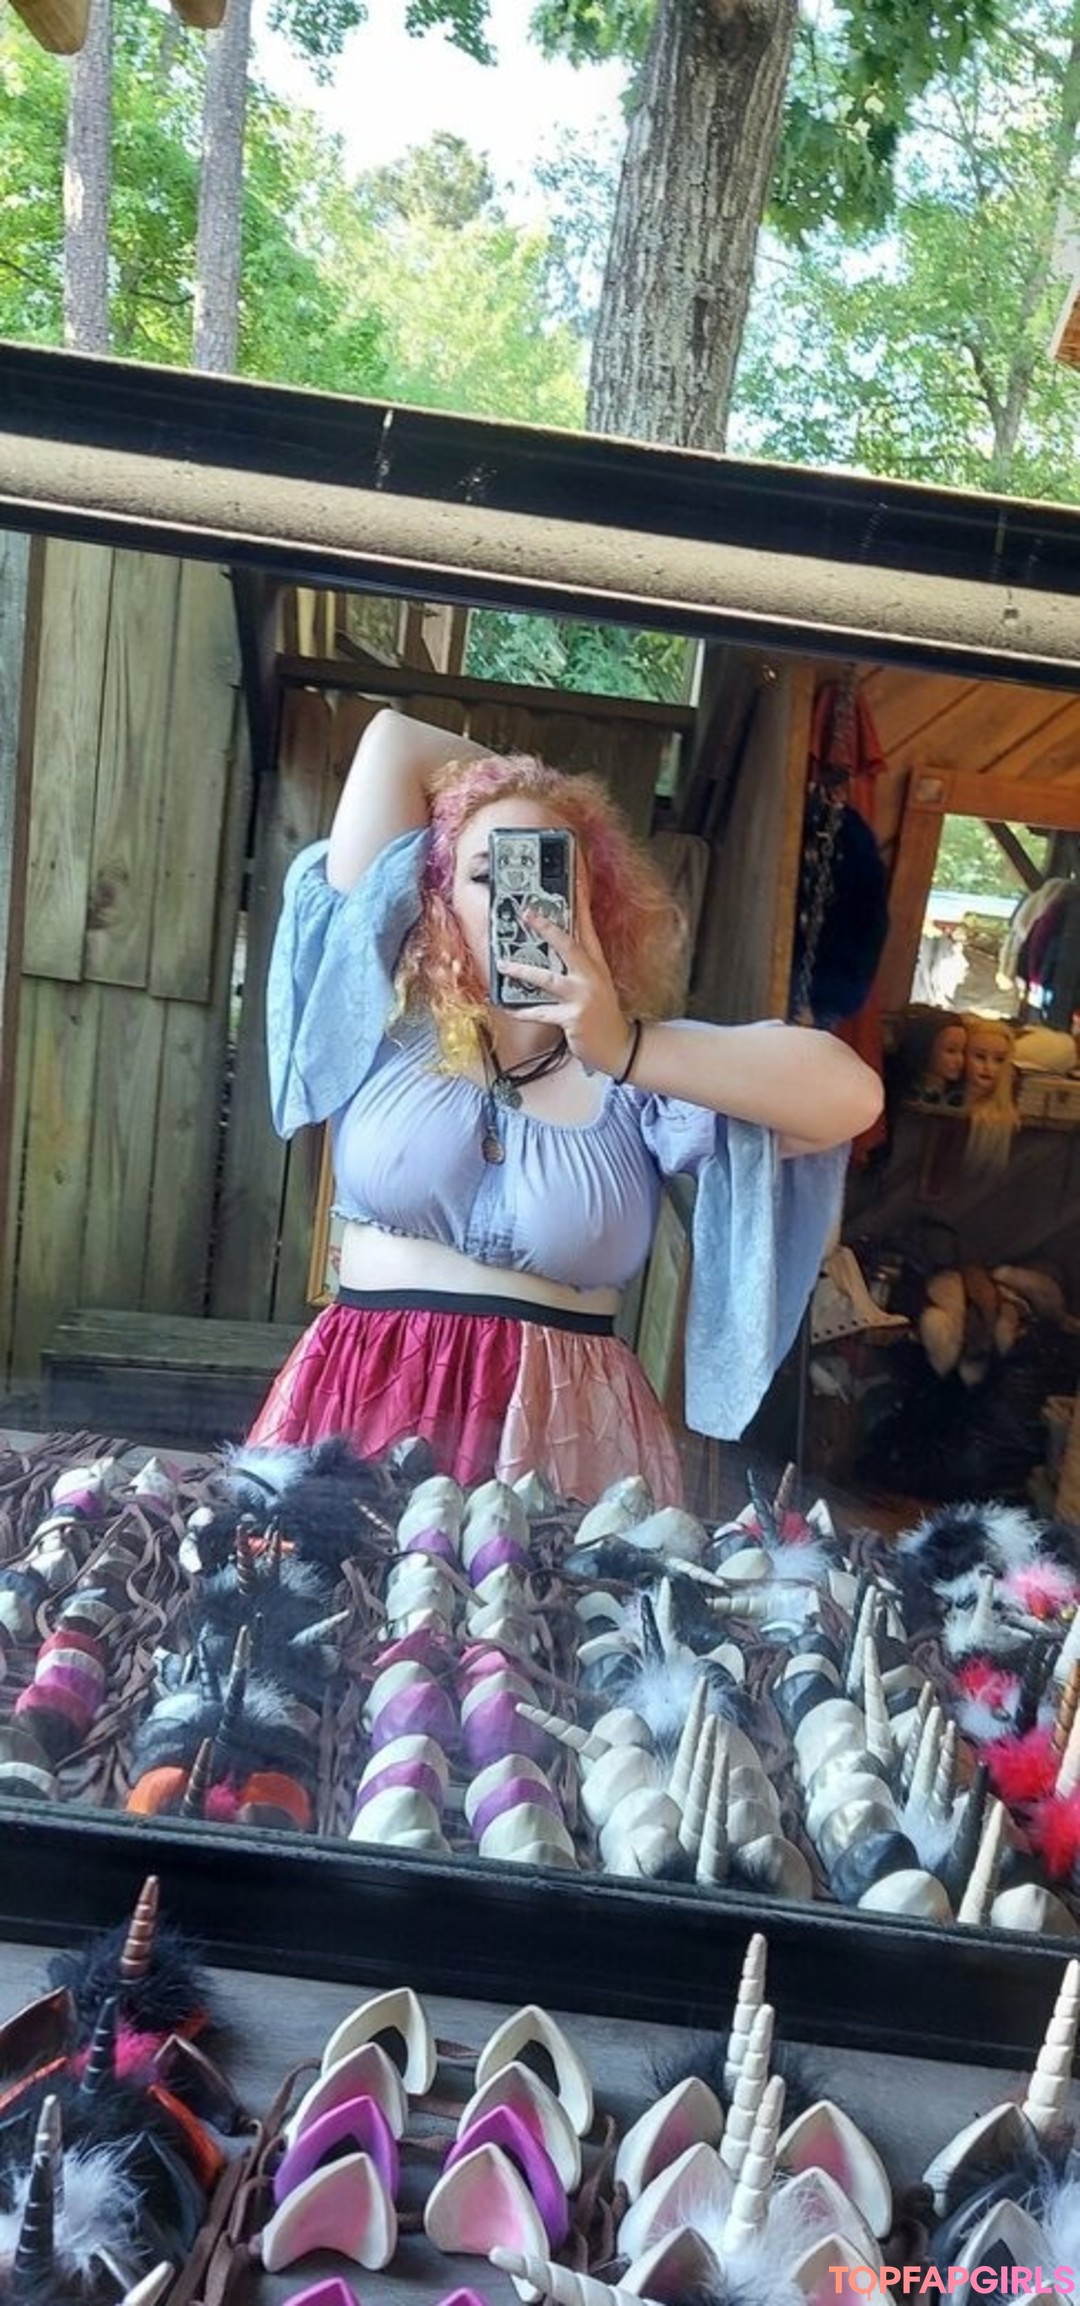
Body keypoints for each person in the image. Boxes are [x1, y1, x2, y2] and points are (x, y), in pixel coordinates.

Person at [250, 709, 883, 1504]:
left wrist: (623, 1048)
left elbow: (852, 1096)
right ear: (437, 896)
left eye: (550, 872)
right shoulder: (380, 1017)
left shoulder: (644, 1078)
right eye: (489, 873)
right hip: (362, 1396)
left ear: (598, 900)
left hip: (561, 1439)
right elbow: (394, 740)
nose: (521, 901)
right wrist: (532, 792)